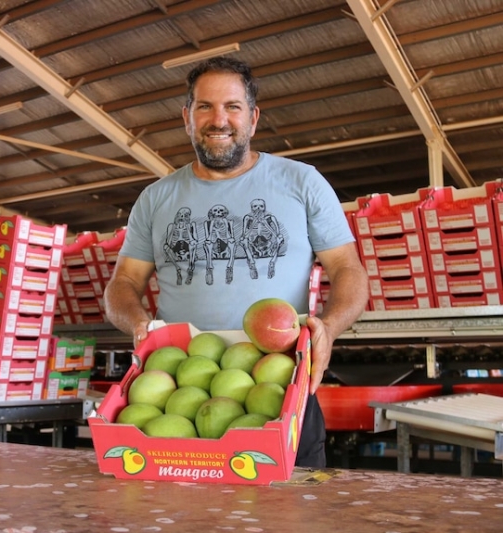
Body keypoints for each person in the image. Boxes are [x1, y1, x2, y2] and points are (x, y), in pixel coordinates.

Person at [103, 57, 368, 468]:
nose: (218, 119)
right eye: (204, 107)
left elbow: (348, 270)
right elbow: (123, 284)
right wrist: (138, 324)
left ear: (253, 118)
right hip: (177, 390)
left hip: (279, 380)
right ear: (187, 118)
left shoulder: (302, 182)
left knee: (288, 515)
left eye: (232, 106)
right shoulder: (155, 199)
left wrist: (329, 328)